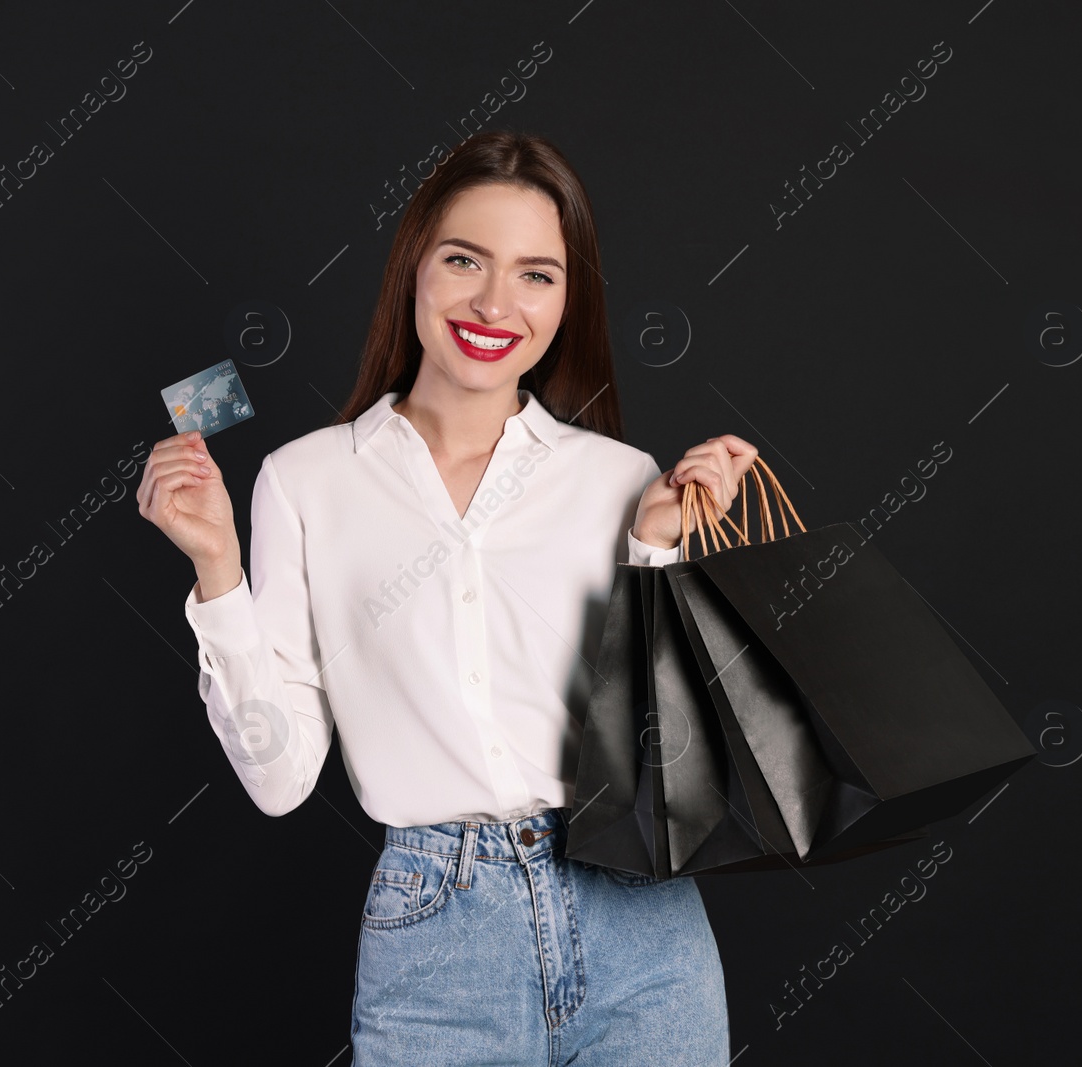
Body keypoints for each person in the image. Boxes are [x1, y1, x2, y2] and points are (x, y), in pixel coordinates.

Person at [138, 130, 758, 1065]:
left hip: (644, 924)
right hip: (440, 935)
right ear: (414, 267)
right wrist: (218, 572)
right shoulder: (304, 482)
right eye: (465, 259)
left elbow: (664, 743)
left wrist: (657, 549)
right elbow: (279, 780)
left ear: (567, 300)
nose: (495, 303)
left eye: (536, 274)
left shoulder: (622, 480)